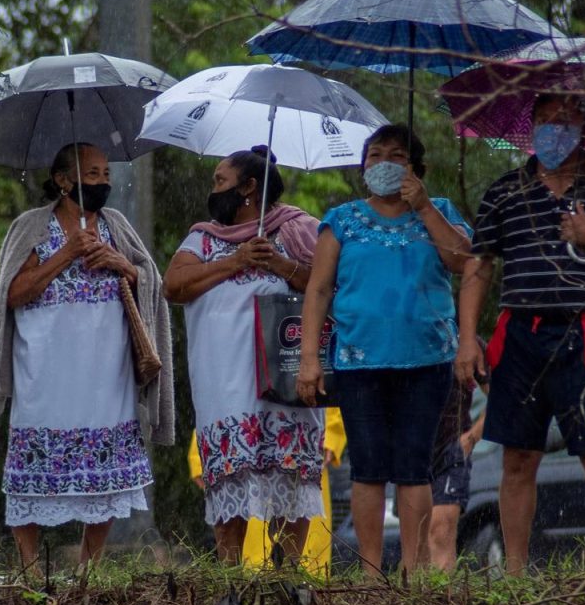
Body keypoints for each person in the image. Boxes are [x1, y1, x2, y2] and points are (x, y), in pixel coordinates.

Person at [0, 142, 175, 572]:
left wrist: (122, 264)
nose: (104, 182)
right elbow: (11, 294)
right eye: (93, 174)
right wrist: (67, 254)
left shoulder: (117, 226)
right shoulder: (32, 227)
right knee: (29, 471)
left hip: (106, 370)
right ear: (63, 181)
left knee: (105, 472)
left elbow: (149, 279)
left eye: (105, 174)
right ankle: (28, 570)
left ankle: (89, 568)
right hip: (43, 371)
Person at [455, 94, 585, 576]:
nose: (555, 131)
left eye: (566, 122)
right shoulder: (505, 190)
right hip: (519, 333)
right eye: (545, 121)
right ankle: (514, 573)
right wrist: (468, 338)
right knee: (517, 457)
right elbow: (479, 264)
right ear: (529, 128)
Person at [296, 124, 471, 576]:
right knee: (368, 467)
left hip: (428, 360)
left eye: (396, 156)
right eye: (375, 156)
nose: (384, 164)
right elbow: (318, 291)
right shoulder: (342, 220)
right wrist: (310, 360)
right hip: (358, 362)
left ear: (415, 168)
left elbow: (463, 259)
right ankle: (372, 573)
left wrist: (425, 205)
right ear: (363, 167)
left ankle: (413, 572)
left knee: (415, 466)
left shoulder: (441, 212)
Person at [164, 146, 326, 565]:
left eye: (221, 181)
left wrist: (282, 266)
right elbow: (174, 286)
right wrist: (236, 261)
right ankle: (230, 579)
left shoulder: (299, 230)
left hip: (287, 380)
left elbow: (330, 287)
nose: (214, 190)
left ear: (249, 187)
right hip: (224, 385)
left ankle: (287, 579)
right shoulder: (202, 238)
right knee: (231, 479)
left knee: (291, 483)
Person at [188, 408, 347, 576]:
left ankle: (296, 585)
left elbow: (323, 387)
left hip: (297, 424)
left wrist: (331, 430)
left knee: (300, 520)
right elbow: (221, 393)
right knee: (252, 546)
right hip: (247, 440)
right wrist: (200, 454)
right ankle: (244, 585)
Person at [428, 383, 486, 573]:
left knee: (440, 530)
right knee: (417, 540)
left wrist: (472, 437)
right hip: (413, 452)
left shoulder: (464, 353)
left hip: (451, 450)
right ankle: (415, 596)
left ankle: (441, 596)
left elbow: (502, 393)